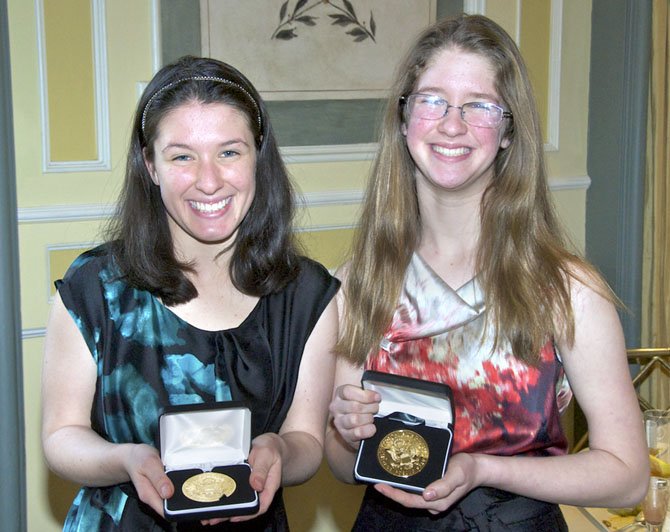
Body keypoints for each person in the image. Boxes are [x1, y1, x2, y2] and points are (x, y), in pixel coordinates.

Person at [325, 14, 649, 531]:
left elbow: (627, 476)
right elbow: (345, 471)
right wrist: (345, 430)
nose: (452, 125)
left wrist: (482, 469)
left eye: (479, 106)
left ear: (507, 132)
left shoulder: (568, 290)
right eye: (433, 99)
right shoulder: (354, 287)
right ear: (404, 119)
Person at [41, 55, 339, 531]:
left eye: (229, 152)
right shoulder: (93, 287)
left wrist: (280, 450)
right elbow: (61, 436)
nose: (208, 180)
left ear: (258, 156)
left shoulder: (307, 294)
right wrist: (126, 460)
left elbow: (307, 440)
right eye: (182, 156)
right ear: (151, 165)